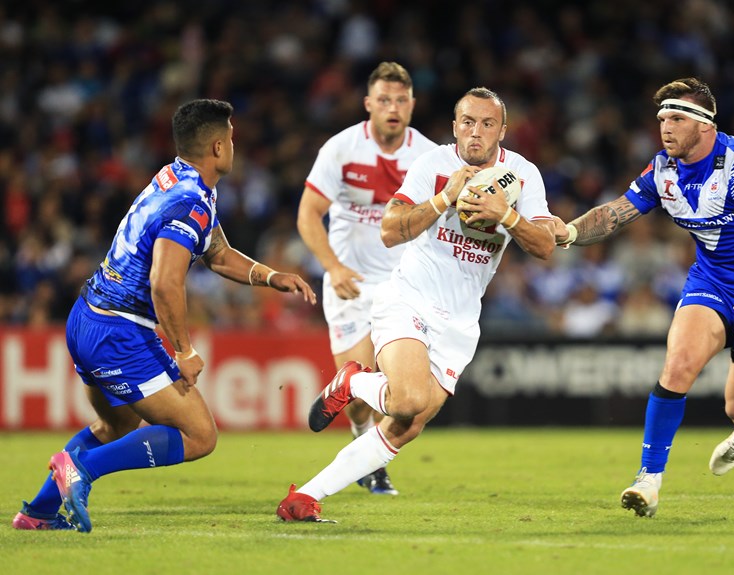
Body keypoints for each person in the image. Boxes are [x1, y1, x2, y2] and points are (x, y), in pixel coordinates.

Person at [12, 99, 316, 532]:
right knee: (199, 435)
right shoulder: (189, 202)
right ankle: (81, 470)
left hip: (87, 316)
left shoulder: (178, 178)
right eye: (230, 136)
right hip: (119, 329)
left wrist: (271, 277)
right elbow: (164, 282)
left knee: (115, 424)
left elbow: (219, 254)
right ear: (216, 147)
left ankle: (37, 513)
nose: (235, 142)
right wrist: (184, 350)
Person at [276, 87, 558, 522]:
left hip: (461, 321)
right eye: (467, 122)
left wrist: (505, 214)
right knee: (406, 399)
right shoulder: (434, 164)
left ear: (503, 130)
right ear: (454, 126)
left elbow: (544, 246)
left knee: (408, 424)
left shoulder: (523, 175)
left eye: (487, 124)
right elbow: (390, 229)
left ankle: (306, 497)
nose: (475, 132)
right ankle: (353, 383)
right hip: (410, 296)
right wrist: (445, 198)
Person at [553, 77, 734, 517]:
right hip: (710, 286)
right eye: (661, 119)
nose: (665, 128)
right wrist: (570, 231)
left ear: (705, 126)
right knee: (678, 364)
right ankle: (648, 481)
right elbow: (615, 214)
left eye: (676, 118)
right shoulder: (663, 170)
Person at [296, 61, 436, 495]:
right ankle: (363, 445)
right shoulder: (341, 148)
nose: (392, 108)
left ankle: (372, 466)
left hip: (404, 286)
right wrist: (332, 267)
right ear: (368, 105)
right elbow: (307, 215)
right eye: (384, 100)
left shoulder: (428, 156)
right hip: (351, 284)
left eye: (400, 100)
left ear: (412, 105)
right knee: (357, 399)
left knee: (403, 393)